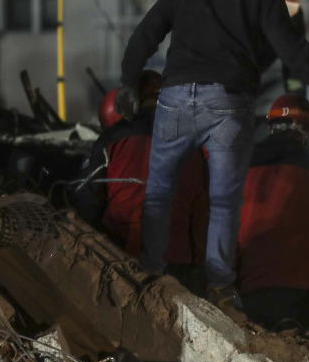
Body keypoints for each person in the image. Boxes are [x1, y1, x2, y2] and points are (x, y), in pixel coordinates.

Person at [114, 0, 309, 310]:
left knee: (158, 193)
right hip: (226, 103)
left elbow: (146, 33)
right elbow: (292, 51)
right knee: (224, 201)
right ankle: (220, 287)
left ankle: (151, 271)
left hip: (174, 98)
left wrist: (128, 79)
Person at [75, 72, 209, 294]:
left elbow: (85, 199)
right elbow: (205, 209)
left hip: (125, 259)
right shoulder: (194, 143)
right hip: (180, 263)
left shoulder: (112, 138)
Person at [236, 95, 309, 330]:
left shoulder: (240, 166)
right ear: (307, 129)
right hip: (303, 285)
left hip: (252, 282)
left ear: (270, 127)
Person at [269, 0, 309, 96]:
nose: (295, 4)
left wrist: (296, 96)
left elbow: (296, 56)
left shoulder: (295, 16)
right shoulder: (248, 14)